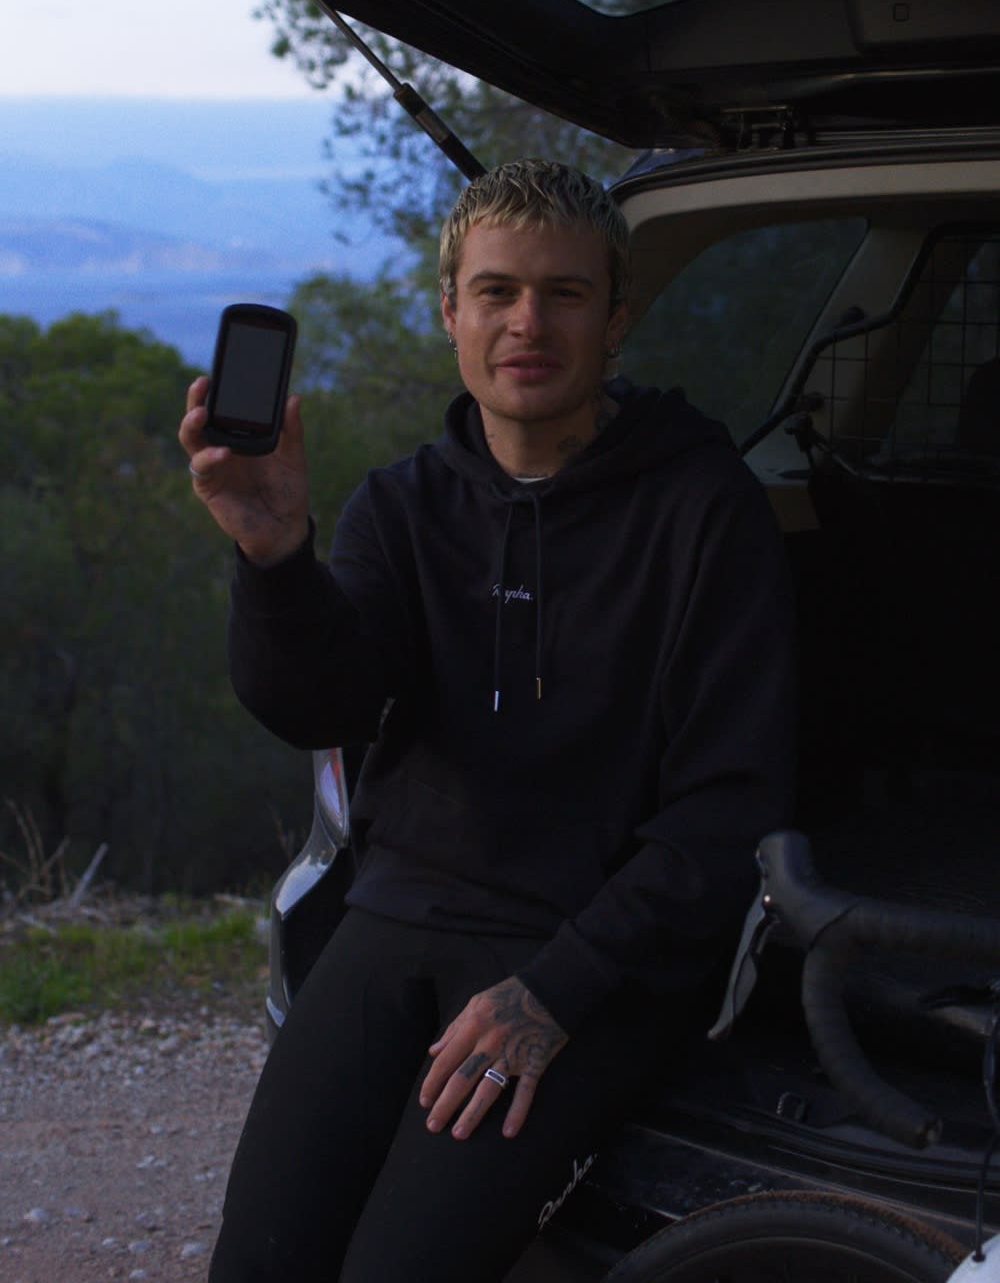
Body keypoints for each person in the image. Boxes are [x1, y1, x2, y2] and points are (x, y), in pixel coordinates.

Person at [179, 159, 797, 1282]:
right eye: (497, 291)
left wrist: (556, 993)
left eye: (565, 293)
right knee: (257, 1263)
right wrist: (273, 558)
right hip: (396, 921)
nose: (528, 323)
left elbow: (729, 809)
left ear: (616, 320)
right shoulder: (402, 504)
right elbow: (318, 704)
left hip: (595, 955)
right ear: (449, 311)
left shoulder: (703, 509)